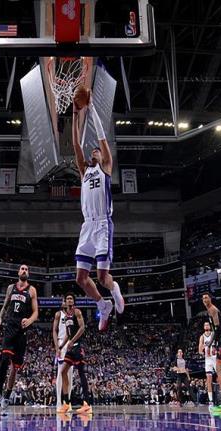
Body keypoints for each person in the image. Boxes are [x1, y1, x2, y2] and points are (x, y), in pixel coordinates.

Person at [71, 94, 125, 331]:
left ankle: (114, 289)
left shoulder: (106, 168)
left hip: (103, 224)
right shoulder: (84, 172)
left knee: (103, 277)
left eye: (97, 151)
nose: (94, 151)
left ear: (102, 156)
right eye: (92, 151)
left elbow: (101, 137)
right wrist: (75, 115)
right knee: (80, 278)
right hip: (87, 226)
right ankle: (103, 305)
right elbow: (75, 145)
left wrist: (91, 108)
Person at [0, 264, 39, 413]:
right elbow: (4, 306)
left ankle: (7, 396)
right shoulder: (11, 288)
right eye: (22, 269)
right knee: (4, 360)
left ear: (28, 274)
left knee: (14, 368)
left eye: (26, 269)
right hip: (10, 328)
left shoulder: (32, 290)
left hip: (21, 331)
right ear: (18, 272)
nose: (24, 270)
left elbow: (36, 312)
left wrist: (30, 320)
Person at [57, 293, 92, 414]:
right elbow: (68, 334)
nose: (69, 300)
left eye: (71, 298)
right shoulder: (66, 316)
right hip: (70, 348)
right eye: (67, 299)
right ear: (65, 302)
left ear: (73, 301)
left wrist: (72, 341)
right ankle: (66, 403)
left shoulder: (77, 312)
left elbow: (82, 328)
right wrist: (61, 346)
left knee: (81, 373)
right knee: (63, 372)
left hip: (77, 346)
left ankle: (87, 404)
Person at [53, 299, 73, 410]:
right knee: (60, 374)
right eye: (64, 300)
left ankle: (67, 403)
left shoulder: (73, 314)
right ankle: (59, 402)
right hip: (61, 343)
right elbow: (54, 331)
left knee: (70, 376)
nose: (65, 302)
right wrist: (57, 347)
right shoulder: (58, 314)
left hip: (71, 344)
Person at [198, 321, 216, 408]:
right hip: (208, 359)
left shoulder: (213, 334)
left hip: (215, 357)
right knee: (209, 380)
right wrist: (203, 348)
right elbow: (199, 350)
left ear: (210, 326)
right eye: (205, 325)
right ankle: (211, 400)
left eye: (207, 324)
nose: (206, 326)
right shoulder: (202, 337)